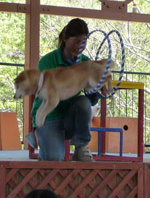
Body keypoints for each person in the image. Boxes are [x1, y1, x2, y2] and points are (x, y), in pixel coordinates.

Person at [30, 18, 99, 162]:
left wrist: (94, 90)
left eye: (83, 42)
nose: (80, 46)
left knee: (83, 103)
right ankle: (41, 138)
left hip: (70, 117)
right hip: (49, 116)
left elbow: (91, 101)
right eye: (76, 42)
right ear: (65, 39)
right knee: (54, 160)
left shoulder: (86, 63)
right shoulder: (47, 61)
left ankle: (81, 147)